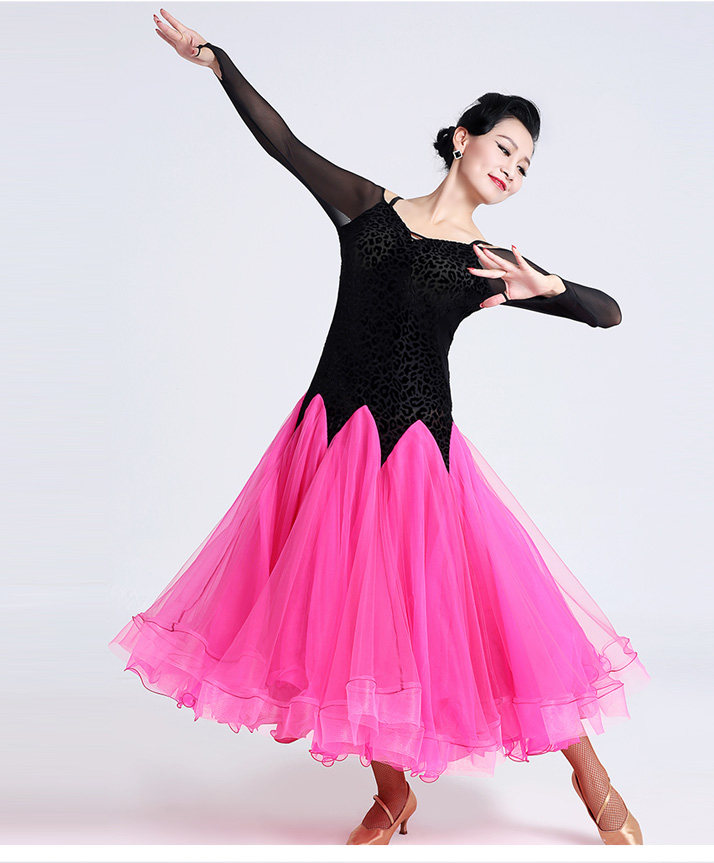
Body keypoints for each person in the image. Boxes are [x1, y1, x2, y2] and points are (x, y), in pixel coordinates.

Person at [110, 7, 650, 846]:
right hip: (328, 444)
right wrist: (218, 62)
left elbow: (608, 312)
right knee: (344, 627)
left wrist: (551, 289)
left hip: (418, 458)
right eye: (505, 148)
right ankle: (393, 793)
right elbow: (284, 144)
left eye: (525, 166)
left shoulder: (488, 264)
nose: (513, 170)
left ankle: (594, 781)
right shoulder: (369, 210)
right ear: (464, 138)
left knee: (496, 620)